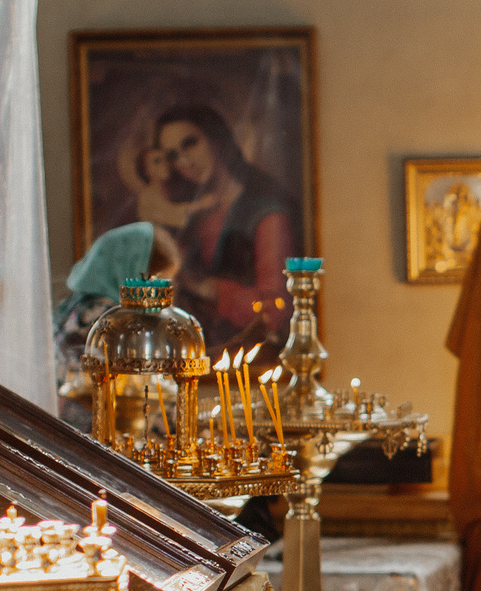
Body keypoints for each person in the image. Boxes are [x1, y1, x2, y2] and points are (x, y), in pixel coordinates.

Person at [150, 103, 300, 354]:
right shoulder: (191, 215)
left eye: (190, 144)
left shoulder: (265, 213)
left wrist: (203, 286)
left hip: (251, 358)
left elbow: (276, 311)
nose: (184, 161)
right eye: (173, 155)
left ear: (216, 139)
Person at [52, 220, 180, 430]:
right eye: (158, 281)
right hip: (96, 439)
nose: (163, 295)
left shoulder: (79, 306)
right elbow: (137, 393)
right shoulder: (108, 318)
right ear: (133, 273)